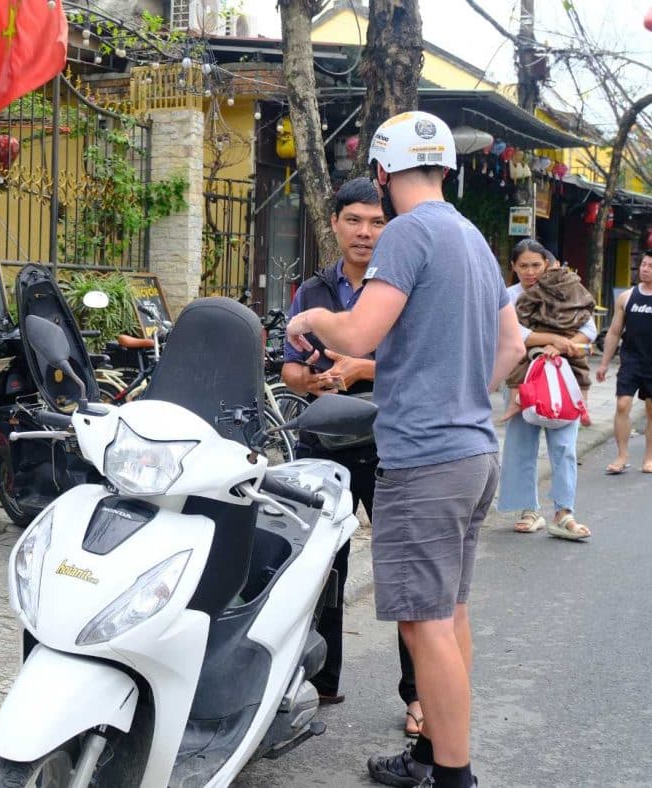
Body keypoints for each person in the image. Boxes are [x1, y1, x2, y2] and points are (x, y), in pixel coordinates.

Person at [287, 111, 525, 788]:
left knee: (426, 626)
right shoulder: (473, 238)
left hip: (425, 459)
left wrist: (311, 317)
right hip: (473, 451)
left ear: (382, 172)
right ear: (446, 168)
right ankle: (430, 755)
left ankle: (453, 776)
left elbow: (358, 335)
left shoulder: (409, 232)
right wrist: (463, 394)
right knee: (448, 615)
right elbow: (512, 344)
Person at [281, 177, 422, 737]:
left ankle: (419, 696)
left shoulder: (403, 286)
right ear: (335, 224)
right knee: (321, 568)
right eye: (355, 220)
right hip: (324, 443)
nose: (365, 232)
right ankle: (321, 680)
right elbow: (289, 368)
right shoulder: (312, 291)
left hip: (393, 441)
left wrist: (362, 368)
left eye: (377, 221)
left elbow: (423, 364)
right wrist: (312, 381)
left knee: (405, 574)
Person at [496, 239, 594, 541]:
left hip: (562, 376)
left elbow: (589, 329)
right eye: (523, 265)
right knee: (520, 443)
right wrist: (553, 339)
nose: (530, 271)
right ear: (513, 267)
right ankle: (528, 510)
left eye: (536, 265)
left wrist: (563, 346)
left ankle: (564, 513)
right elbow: (512, 334)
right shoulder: (507, 296)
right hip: (521, 377)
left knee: (564, 446)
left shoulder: (566, 290)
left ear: (548, 264)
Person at [595, 249, 652, 474]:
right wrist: (604, 363)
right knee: (622, 404)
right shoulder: (627, 297)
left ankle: (649, 459)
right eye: (643, 264)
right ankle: (622, 455)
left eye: (651, 266)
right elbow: (614, 331)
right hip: (631, 360)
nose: (645, 269)